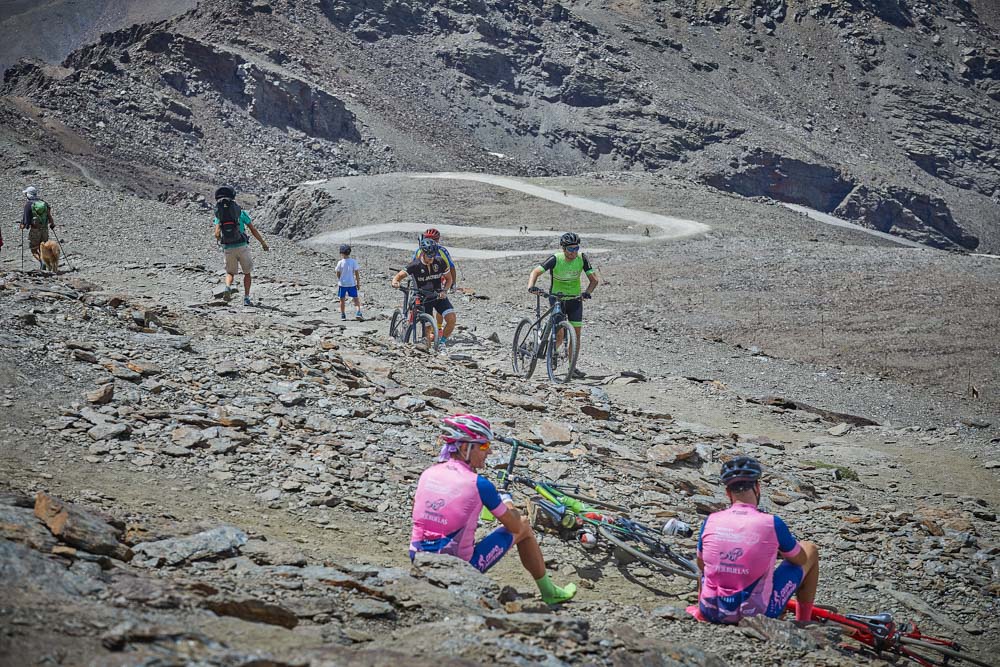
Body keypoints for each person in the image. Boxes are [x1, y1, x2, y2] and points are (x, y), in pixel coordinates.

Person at [410, 414, 577, 605]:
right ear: (465, 447)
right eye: (483, 446)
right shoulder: (479, 484)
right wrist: (506, 500)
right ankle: (550, 592)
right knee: (523, 525)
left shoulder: (428, 473)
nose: (488, 452)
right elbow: (514, 526)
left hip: (419, 560)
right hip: (458, 569)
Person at [693, 456, 820, 625]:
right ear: (757, 488)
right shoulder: (772, 523)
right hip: (755, 615)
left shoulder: (710, 520)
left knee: (709, 564)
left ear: (727, 493)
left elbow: (702, 565)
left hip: (710, 612)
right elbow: (801, 560)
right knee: (809, 549)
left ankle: (700, 608)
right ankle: (804, 622)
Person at [526, 232, 599, 377]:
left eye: (576, 248)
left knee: (576, 336)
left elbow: (594, 280)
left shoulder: (582, 259)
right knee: (559, 335)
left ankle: (572, 367)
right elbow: (535, 272)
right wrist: (531, 286)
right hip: (557, 298)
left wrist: (587, 292)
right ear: (563, 248)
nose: (573, 252)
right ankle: (552, 352)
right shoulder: (555, 259)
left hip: (575, 300)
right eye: (570, 249)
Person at [392, 237, 456, 352]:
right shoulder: (415, 265)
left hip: (437, 295)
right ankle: (427, 349)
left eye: (433, 256)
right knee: (427, 328)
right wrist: (395, 281)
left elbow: (449, 279)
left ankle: (442, 343)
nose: (432, 259)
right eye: (429, 256)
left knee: (451, 319)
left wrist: (444, 290)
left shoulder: (440, 261)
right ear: (423, 253)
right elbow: (399, 276)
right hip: (423, 297)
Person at [212, 185, 269, 306]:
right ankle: (246, 298)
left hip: (228, 247)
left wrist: (221, 240)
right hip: (242, 245)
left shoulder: (219, 215)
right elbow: (253, 229)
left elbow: (216, 233)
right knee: (247, 273)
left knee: (230, 272)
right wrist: (263, 243)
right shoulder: (240, 212)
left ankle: (227, 287)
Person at [412, 228, 457, 337]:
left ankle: (438, 326)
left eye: (434, 240)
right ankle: (432, 327)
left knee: (439, 298)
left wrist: (452, 282)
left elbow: (451, 267)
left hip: (439, 275)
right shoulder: (420, 250)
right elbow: (414, 265)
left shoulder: (441, 251)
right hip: (424, 278)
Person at [21, 186, 55, 272]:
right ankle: (47, 263)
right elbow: (49, 215)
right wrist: (52, 224)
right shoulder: (43, 203)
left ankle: (42, 262)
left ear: (28, 195)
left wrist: (23, 226)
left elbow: (26, 221)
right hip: (45, 229)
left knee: (33, 249)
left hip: (35, 230)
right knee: (43, 247)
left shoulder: (28, 204)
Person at [336, 244, 362, 321]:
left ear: (341, 253)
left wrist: (340, 279)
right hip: (352, 283)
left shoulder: (340, 262)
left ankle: (343, 315)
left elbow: (337, 272)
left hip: (342, 284)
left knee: (342, 299)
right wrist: (358, 283)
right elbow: (356, 273)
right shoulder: (353, 261)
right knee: (356, 299)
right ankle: (358, 312)